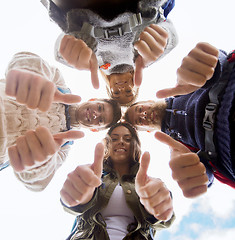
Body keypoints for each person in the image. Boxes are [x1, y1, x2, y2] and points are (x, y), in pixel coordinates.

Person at [124, 42, 235, 195]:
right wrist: (199, 177)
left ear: (148, 101)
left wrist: (211, 64)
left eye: (140, 109)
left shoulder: (182, 86)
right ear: (147, 130)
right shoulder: (177, 148)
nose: (143, 115)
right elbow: (204, 173)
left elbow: (221, 61)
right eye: (138, 121)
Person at [0, 51, 121, 192]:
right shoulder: (58, 84)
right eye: (100, 107)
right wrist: (32, 75)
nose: (96, 114)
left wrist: (41, 163)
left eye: (101, 120)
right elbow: (21, 59)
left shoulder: (62, 148)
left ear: (95, 129)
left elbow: (38, 183)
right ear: (93, 100)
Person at [41, 0, 178, 105]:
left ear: (109, 88)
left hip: (80, 10)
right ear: (136, 86)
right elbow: (170, 33)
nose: (121, 88)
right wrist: (163, 40)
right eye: (128, 91)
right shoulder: (142, 59)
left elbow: (60, 52)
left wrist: (71, 49)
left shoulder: (93, 65)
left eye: (116, 93)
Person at [60, 122, 175, 240]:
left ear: (136, 145)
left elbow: (164, 220)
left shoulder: (148, 185)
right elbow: (73, 207)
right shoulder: (92, 177)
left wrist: (160, 210)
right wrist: (75, 198)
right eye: (114, 138)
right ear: (107, 145)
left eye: (128, 139)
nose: (121, 141)